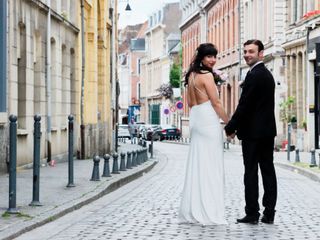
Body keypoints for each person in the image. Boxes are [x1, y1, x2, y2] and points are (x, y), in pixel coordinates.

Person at [225, 39, 277, 224]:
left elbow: (244, 106)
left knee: (251, 173)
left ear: (261, 53)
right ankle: (269, 212)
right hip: (267, 132)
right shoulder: (266, 74)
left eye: (251, 52)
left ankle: (252, 213)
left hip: (253, 134)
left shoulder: (254, 75)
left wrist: (230, 127)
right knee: (268, 171)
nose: (247, 54)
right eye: (245, 51)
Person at [179, 43, 229, 225]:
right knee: (211, 166)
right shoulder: (207, 76)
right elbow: (216, 103)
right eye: (209, 56)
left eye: (215, 56)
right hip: (207, 121)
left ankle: (195, 208)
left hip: (196, 119)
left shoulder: (191, 75)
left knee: (198, 165)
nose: (213, 60)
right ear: (201, 57)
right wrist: (229, 124)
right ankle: (209, 210)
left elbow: (191, 104)